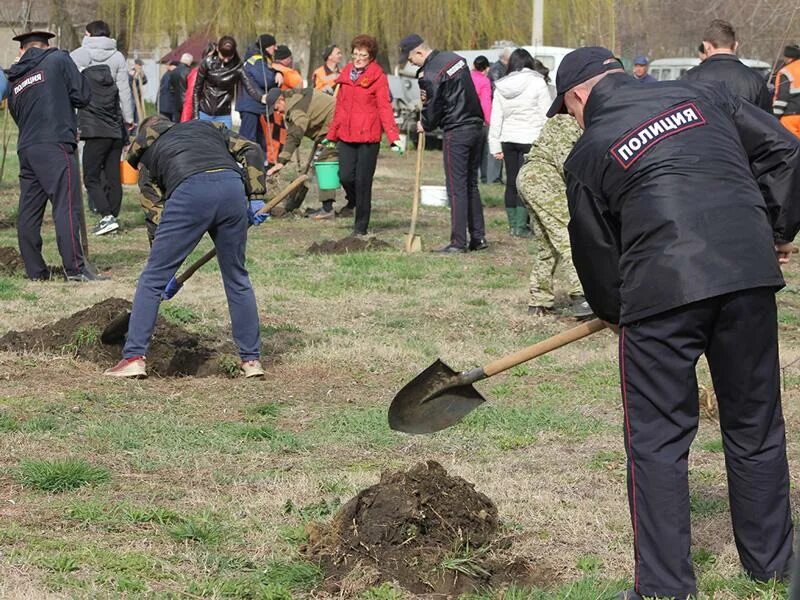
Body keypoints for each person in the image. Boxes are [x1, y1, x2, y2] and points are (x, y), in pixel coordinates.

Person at [548, 46, 800, 599]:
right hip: (748, 276)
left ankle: (663, 588)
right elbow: (785, 150)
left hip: (661, 295)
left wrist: (617, 313)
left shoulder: (589, 152)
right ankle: (774, 568)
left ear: (579, 96)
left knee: (658, 440)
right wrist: (778, 228)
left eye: (568, 113)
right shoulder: (705, 95)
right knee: (755, 426)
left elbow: (595, 254)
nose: (574, 123)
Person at [104, 115, 268, 379]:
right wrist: (256, 195)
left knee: (152, 278)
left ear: (144, 136)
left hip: (190, 190)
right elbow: (253, 148)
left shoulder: (147, 158)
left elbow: (155, 216)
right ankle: (251, 361)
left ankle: (133, 357)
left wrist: (163, 270)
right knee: (237, 276)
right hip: (231, 188)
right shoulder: (208, 127)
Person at [3, 31, 106, 282]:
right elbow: (82, 96)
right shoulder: (58, 58)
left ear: (22, 51)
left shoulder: (14, 79)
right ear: (46, 46)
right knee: (66, 205)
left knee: (29, 211)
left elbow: (19, 116)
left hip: (27, 148)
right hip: (55, 143)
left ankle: (36, 272)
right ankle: (76, 269)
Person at [402, 33, 487, 253]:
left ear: (419, 52)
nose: (411, 63)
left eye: (411, 59)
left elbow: (433, 108)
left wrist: (425, 124)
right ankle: (478, 237)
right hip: (477, 127)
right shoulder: (455, 59)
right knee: (471, 184)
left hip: (457, 131)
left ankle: (458, 243)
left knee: (456, 188)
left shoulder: (430, 74)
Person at [326, 34, 402, 236]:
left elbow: (385, 107)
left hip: (368, 137)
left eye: (363, 55)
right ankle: (353, 200)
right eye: (355, 54)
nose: (358, 58)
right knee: (345, 176)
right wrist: (332, 135)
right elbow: (340, 108)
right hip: (347, 135)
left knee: (362, 181)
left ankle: (360, 227)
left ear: (371, 57)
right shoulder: (346, 73)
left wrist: (394, 138)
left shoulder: (378, 76)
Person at [517, 114, 589, 318]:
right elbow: (567, 163)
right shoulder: (566, 120)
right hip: (543, 178)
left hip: (532, 176)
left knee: (547, 245)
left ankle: (539, 301)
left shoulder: (565, 119)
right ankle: (583, 296)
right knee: (569, 236)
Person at [488, 48, 551, 237]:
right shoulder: (538, 82)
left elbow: (496, 117)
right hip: (530, 138)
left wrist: (495, 145)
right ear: (530, 63)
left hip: (508, 139)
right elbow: (546, 114)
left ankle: (513, 225)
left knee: (511, 183)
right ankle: (523, 226)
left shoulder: (502, 85)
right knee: (527, 183)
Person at [265, 87, 338, 217]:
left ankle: (328, 210)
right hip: (328, 127)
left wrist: (282, 161)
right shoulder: (294, 96)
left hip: (337, 127)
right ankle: (350, 205)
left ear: (281, 100)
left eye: (277, 108)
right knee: (320, 166)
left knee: (325, 162)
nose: (279, 112)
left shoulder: (295, 108)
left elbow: (296, 132)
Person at [76, 55, 127, 236]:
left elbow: (75, 102)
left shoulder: (83, 83)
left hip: (96, 135)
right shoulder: (111, 84)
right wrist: (125, 137)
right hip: (115, 135)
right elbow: (118, 110)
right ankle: (112, 215)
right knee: (114, 178)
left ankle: (107, 217)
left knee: (91, 177)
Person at [683, 19, 771, 111]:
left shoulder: (691, 77)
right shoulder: (755, 79)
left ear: (706, 46)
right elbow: (766, 121)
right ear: (735, 46)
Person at [70, 20, 134, 127]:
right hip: (110, 113)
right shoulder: (118, 57)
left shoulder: (77, 55)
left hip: (84, 113)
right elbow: (124, 90)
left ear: (89, 35)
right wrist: (128, 118)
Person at [193, 36, 258, 128]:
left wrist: (261, 97)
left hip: (223, 114)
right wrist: (196, 115)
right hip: (204, 112)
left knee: (225, 140)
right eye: (223, 56)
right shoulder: (207, 62)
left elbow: (249, 86)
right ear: (217, 50)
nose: (226, 59)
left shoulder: (238, 67)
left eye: (229, 56)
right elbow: (197, 89)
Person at [238, 34, 279, 146]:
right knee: (248, 138)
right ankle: (244, 161)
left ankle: (258, 162)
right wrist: (276, 75)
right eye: (274, 45)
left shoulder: (258, 58)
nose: (276, 48)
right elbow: (266, 80)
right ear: (266, 46)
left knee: (257, 138)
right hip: (251, 105)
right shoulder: (257, 60)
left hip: (252, 105)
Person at [471, 55, 492, 184]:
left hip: (465, 118)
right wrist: (489, 120)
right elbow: (485, 103)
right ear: (486, 68)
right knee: (483, 152)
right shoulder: (484, 81)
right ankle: (484, 177)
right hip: (480, 120)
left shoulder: (466, 76)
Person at [773, 44, 800, 136]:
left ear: (787, 57)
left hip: (790, 117)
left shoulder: (786, 71)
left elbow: (782, 98)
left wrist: (775, 118)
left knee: (792, 146)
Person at [168, 53, 192, 122]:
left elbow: (170, 88)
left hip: (176, 101)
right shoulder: (189, 71)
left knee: (177, 122)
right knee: (187, 123)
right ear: (189, 62)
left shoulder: (173, 72)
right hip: (187, 101)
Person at [129, 58, 148, 123]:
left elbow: (145, 82)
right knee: (132, 113)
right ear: (136, 65)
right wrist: (136, 75)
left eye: (141, 65)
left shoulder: (141, 72)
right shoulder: (131, 72)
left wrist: (142, 76)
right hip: (132, 96)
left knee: (137, 115)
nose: (140, 67)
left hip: (138, 96)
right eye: (139, 65)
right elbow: (130, 82)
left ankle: (136, 127)